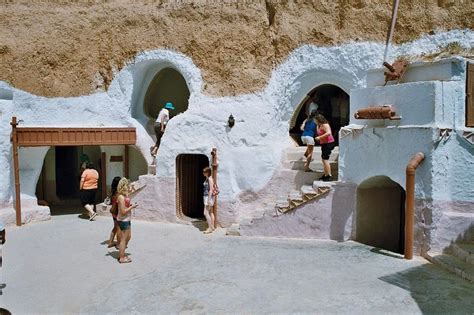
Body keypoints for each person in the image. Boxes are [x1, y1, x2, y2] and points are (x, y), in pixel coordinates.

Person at [116, 178, 138, 263]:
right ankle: (121, 258)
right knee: (123, 239)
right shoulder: (121, 197)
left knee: (128, 237)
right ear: (124, 186)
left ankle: (122, 253)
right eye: (127, 185)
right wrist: (132, 207)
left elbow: (125, 208)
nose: (129, 186)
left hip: (126, 219)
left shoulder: (124, 195)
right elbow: (123, 212)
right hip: (123, 220)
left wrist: (130, 205)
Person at [315, 114, 336, 181]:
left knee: (325, 159)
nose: (314, 121)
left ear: (319, 119)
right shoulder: (318, 126)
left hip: (329, 143)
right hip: (324, 143)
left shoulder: (325, 125)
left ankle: (329, 175)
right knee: (323, 159)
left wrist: (319, 137)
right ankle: (326, 174)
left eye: (315, 120)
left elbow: (329, 133)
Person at [107, 176, 122, 248]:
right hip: (118, 212)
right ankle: (119, 244)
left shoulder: (113, 192)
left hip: (114, 212)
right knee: (119, 229)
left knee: (115, 228)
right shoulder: (118, 193)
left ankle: (110, 242)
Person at [202, 167, 215, 234]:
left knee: (205, 213)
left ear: (208, 172)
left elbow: (211, 190)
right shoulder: (207, 178)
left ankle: (210, 228)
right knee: (211, 212)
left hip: (208, 197)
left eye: (204, 172)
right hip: (207, 197)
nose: (203, 173)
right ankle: (212, 227)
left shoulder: (210, 179)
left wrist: (209, 199)